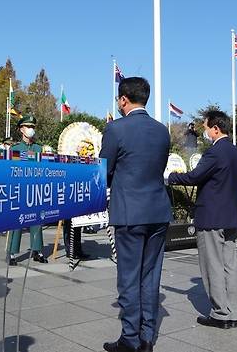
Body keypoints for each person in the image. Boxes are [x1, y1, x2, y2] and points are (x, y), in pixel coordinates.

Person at [100, 77, 172, 352]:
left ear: (123, 99)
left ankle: (130, 338)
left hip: (130, 213)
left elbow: (104, 170)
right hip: (158, 211)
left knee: (129, 277)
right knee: (150, 276)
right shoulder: (162, 131)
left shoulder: (116, 129)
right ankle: (147, 337)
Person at [167, 110, 237, 328]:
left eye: (206, 127)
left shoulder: (215, 152)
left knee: (213, 266)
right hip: (230, 217)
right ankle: (232, 312)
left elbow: (194, 177)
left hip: (211, 217)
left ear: (216, 128)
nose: (205, 131)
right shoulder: (236, 152)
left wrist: (170, 176)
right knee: (229, 265)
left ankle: (220, 313)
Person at [7, 115, 48, 265]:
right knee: (16, 221)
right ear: (21, 129)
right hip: (20, 189)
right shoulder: (15, 148)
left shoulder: (39, 148)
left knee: (37, 220)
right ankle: (11, 254)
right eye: (28, 127)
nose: (31, 130)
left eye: (32, 127)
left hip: (35, 189)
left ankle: (37, 250)